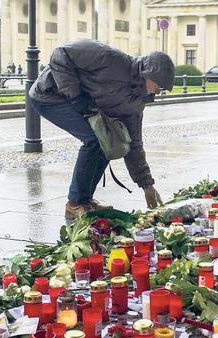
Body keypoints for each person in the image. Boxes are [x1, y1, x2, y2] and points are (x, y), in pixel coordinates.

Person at [29, 39, 172, 219]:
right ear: (148, 74)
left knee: (110, 142)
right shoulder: (110, 58)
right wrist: (76, 96)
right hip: (49, 94)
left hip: (79, 102)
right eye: (159, 85)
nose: (159, 91)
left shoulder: (136, 103)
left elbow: (134, 145)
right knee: (94, 140)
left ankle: (85, 201)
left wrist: (147, 185)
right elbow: (60, 54)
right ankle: (75, 203)